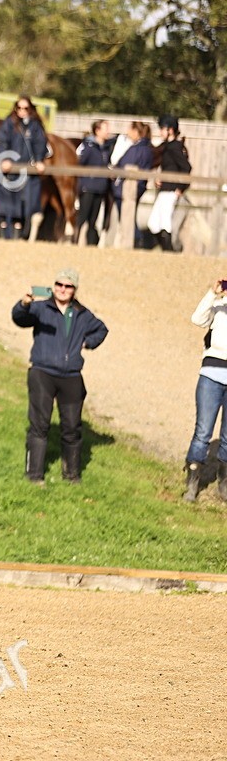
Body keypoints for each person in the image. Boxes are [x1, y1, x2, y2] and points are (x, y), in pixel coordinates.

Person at [12, 270, 108, 485]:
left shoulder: (82, 314)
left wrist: (87, 343)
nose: (62, 289)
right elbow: (19, 318)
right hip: (42, 374)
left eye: (68, 286)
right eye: (59, 284)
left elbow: (102, 330)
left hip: (71, 376)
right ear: (53, 286)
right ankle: (34, 476)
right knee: (39, 425)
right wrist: (24, 303)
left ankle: (72, 475)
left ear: (75, 290)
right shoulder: (40, 308)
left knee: (72, 428)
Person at [182, 279, 227, 502]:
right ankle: (192, 484)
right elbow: (197, 319)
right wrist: (212, 293)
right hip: (211, 375)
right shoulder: (218, 306)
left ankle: (223, 484)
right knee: (203, 432)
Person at [0, 96, 48, 240]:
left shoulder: (35, 126)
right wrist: (5, 159)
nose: (22, 111)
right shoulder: (9, 124)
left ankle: (19, 237)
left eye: (25, 108)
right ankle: (3, 237)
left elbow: (40, 144)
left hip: (27, 173)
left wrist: (39, 160)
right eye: (19, 108)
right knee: (3, 206)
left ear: (30, 109)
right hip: (9, 173)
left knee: (24, 207)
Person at [147, 114, 191, 252]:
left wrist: (181, 187)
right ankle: (167, 250)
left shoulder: (175, 147)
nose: (160, 132)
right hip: (164, 188)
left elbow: (186, 167)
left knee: (165, 223)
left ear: (170, 130)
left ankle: (169, 252)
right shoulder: (167, 146)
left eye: (162, 129)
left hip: (171, 190)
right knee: (153, 223)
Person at [112, 121, 154, 248]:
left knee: (127, 217)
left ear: (137, 132)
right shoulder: (145, 149)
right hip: (135, 187)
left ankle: (136, 241)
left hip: (128, 188)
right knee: (128, 215)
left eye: (130, 130)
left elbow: (123, 164)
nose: (127, 133)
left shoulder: (137, 149)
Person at [74, 120, 112, 246]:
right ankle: (75, 241)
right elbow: (80, 163)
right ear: (97, 130)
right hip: (88, 187)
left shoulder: (106, 149)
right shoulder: (89, 146)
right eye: (105, 128)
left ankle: (91, 245)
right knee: (82, 217)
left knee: (93, 220)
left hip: (100, 188)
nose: (108, 131)